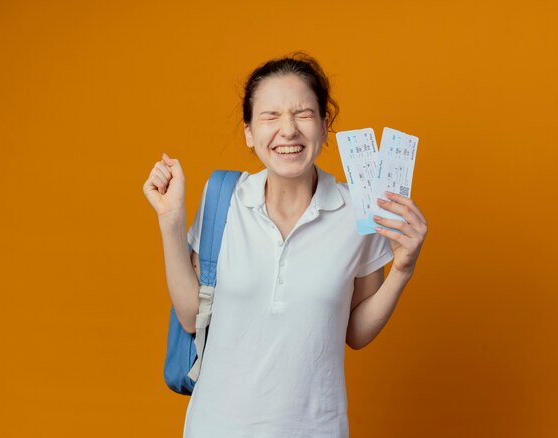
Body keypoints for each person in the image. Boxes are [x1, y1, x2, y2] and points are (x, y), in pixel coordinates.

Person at [143, 52, 428, 437]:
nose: (288, 130)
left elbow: (356, 333)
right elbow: (192, 315)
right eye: (270, 116)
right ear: (248, 131)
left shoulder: (356, 212)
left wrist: (403, 269)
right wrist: (170, 220)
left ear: (325, 127)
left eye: (304, 114)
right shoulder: (223, 196)